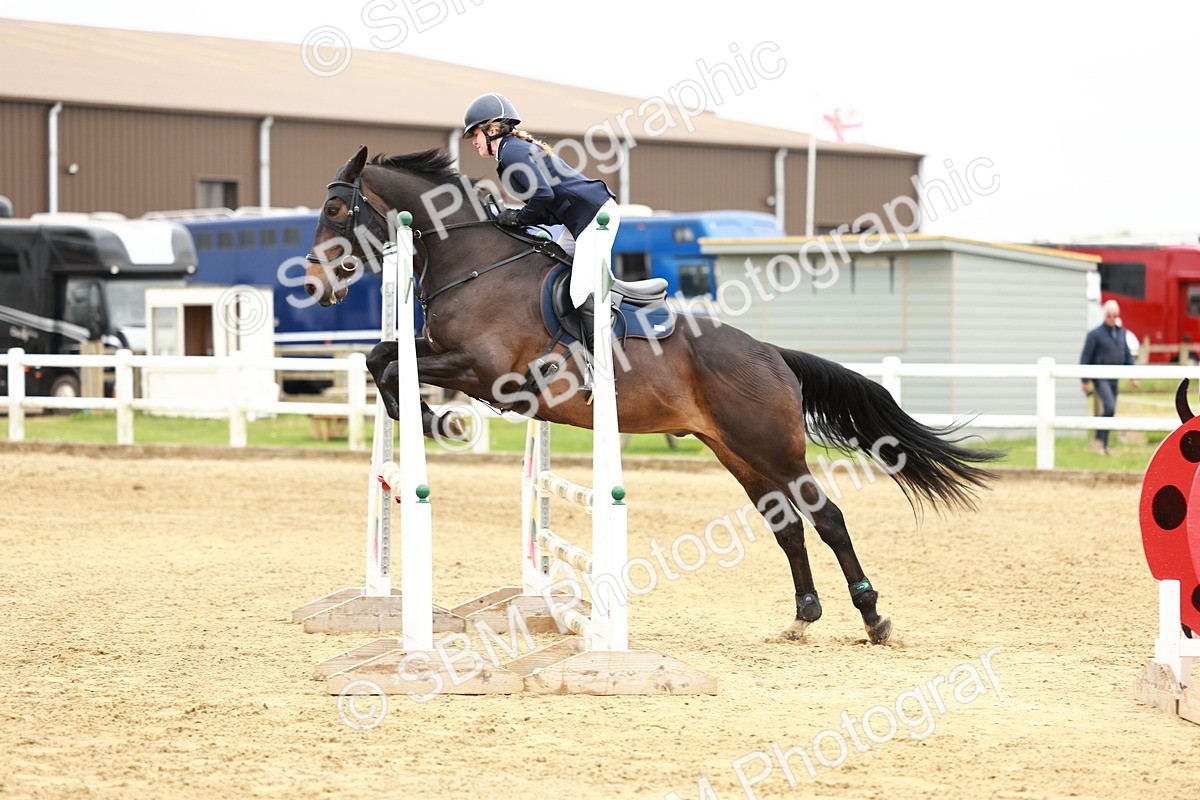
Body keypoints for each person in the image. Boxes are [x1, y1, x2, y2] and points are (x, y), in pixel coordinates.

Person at [462, 92, 619, 370]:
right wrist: (515, 219)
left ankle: (605, 366)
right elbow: (548, 207)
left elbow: (543, 195)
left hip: (596, 216)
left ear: (492, 130)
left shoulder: (512, 152)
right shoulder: (511, 151)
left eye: (475, 134)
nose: (474, 142)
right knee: (554, 272)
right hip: (578, 221)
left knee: (580, 291)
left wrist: (520, 218)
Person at [1080, 299, 1139, 454]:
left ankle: (1104, 444)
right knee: (1110, 406)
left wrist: (1133, 376)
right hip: (1100, 376)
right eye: (1109, 315)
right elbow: (1085, 357)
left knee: (1111, 410)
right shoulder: (1095, 334)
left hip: (1115, 376)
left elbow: (1127, 356)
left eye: (1114, 315)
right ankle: (1098, 440)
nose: (1112, 318)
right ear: (1104, 315)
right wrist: (1084, 381)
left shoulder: (1121, 333)